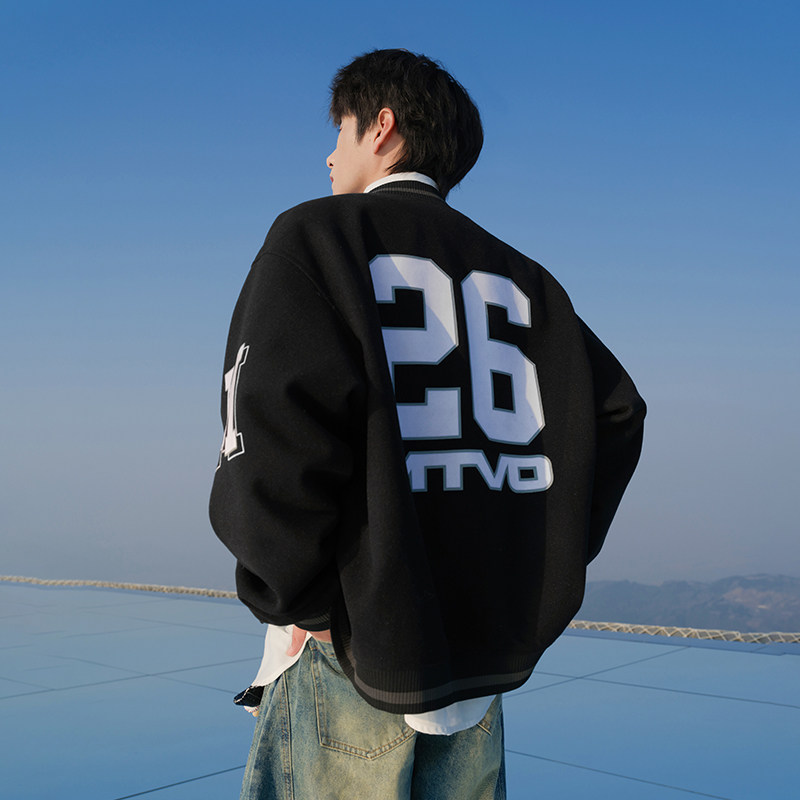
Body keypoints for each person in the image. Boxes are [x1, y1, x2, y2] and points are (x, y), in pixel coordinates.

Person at [210, 48, 645, 800]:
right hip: (478, 663)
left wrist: (302, 602)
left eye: (340, 131)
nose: (329, 154)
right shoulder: (525, 278)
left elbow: (270, 434)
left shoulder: (319, 238)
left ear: (381, 127)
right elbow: (617, 411)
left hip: (352, 654)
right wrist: (539, 561)